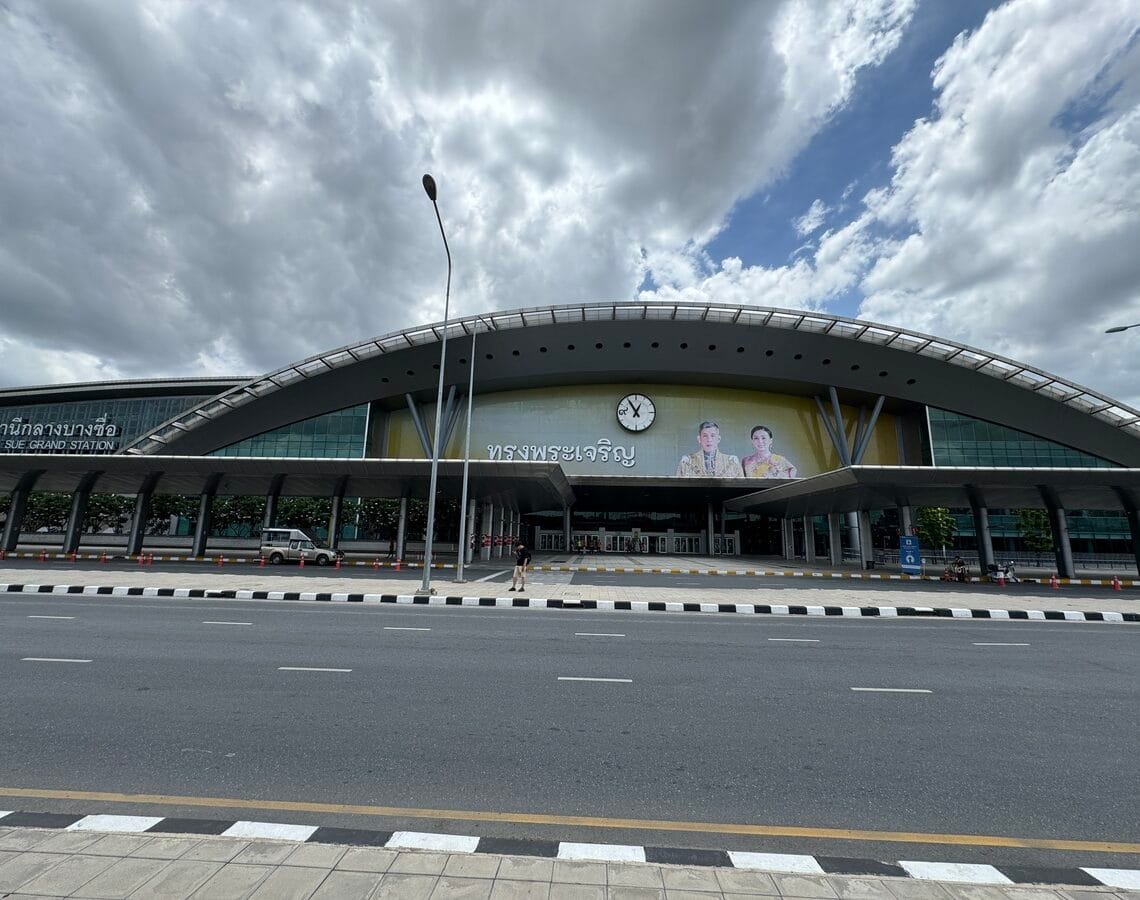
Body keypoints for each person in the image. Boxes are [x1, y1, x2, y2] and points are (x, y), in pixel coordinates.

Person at [675, 421, 742, 477]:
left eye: (712, 436)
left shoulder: (732, 462)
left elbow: (741, 487)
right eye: (705, 436)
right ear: (699, 439)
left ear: (718, 439)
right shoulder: (686, 462)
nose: (709, 440)